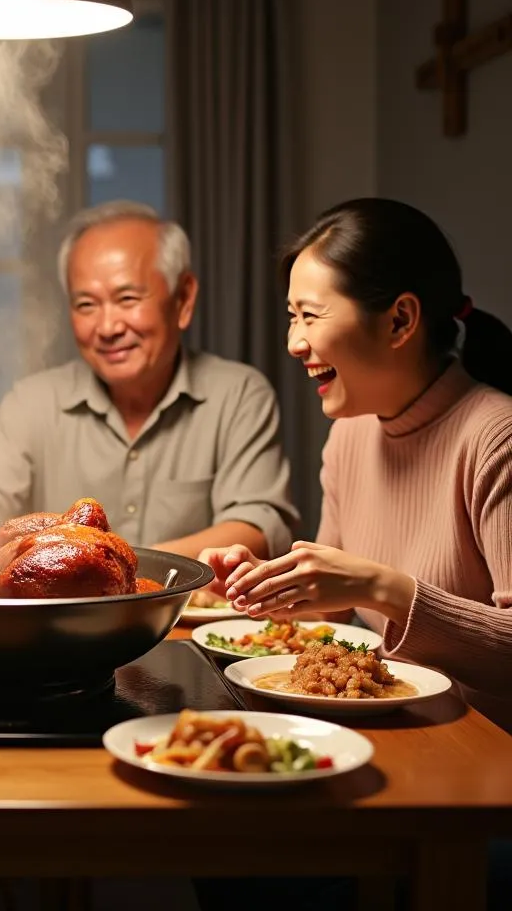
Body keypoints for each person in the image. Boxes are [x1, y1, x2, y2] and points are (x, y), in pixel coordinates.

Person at [201, 197, 512, 730]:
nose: (294, 342)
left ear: (400, 320)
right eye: (291, 316)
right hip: (383, 733)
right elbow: (333, 613)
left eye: (311, 316)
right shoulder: (350, 433)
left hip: (480, 756)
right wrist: (267, 586)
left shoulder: (496, 437)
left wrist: (385, 588)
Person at [0, 200, 298, 559]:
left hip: (188, 617)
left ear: (183, 300)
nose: (107, 327)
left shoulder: (238, 395)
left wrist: (126, 567)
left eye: (127, 298)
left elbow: (257, 523)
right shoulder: (31, 401)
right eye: (86, 305)